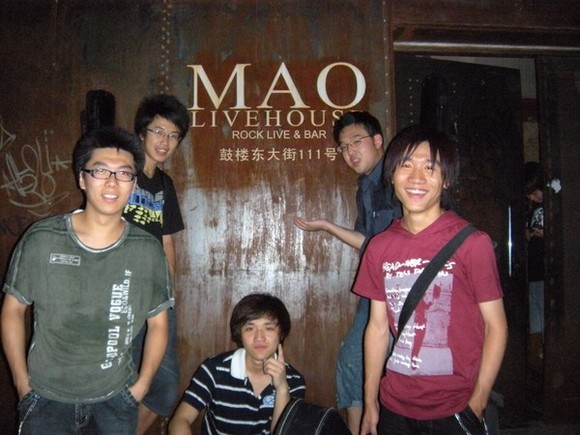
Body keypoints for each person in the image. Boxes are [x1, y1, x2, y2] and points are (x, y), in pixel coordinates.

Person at [1, 126, 172, 434]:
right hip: (46, 399)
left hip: (115, 402)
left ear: (133, 184)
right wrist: (22, 385)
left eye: (124, 174)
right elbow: (13, 310)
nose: (112, 182)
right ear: (82, 178)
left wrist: (141, 387)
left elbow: (159, 324)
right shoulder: (43, 238)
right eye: (100, 171)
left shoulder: (147, 249)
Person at [354, 125, 508, 435]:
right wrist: (370, 400)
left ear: (446, 179)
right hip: (395, 406)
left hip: (456, 407)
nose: (416, 178)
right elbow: (378, 327)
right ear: (392, 174)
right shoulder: (379, 247)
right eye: (406, 165)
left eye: (430, 167)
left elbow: (496, 326)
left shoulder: (472, 243)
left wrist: (477, 401)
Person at [294, 111, 400, 433]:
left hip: (403, 291)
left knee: (396, 371)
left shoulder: (397, 178)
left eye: (356, 142)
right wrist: (327, 226)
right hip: (377, 290)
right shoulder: (365, 186)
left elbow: (399, 244)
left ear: (378, 140)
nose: (350, 152)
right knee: (353, 362)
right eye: (343, 146)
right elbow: (368, 242)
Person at [123, 94, 190, 433]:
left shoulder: (164, 184)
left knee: (163, 387)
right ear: (142, 133)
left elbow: (167, 241)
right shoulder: (121, 173)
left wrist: (170, 292)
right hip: (120, 292)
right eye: (159, 131)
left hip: (155, 295)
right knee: (120, 379)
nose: (165, 141)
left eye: (173, 135)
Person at [168, 293, 306, 435]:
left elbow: (282, 432)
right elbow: (180, 420)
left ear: (281, 333)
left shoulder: (294, 380)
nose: (259, 337)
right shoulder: (214, 370)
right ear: (240, 333)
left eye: (268, 328)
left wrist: (282, 388)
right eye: (250, 328)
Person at [525, 163, 544, 368]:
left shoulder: (550, 206)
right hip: (533, 272)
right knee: (535, 318)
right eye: (530, 194)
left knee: (542, 315)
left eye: (535, 191)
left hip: (545, 273)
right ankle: (537, 358)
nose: (534, 196)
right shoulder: (532, 209)